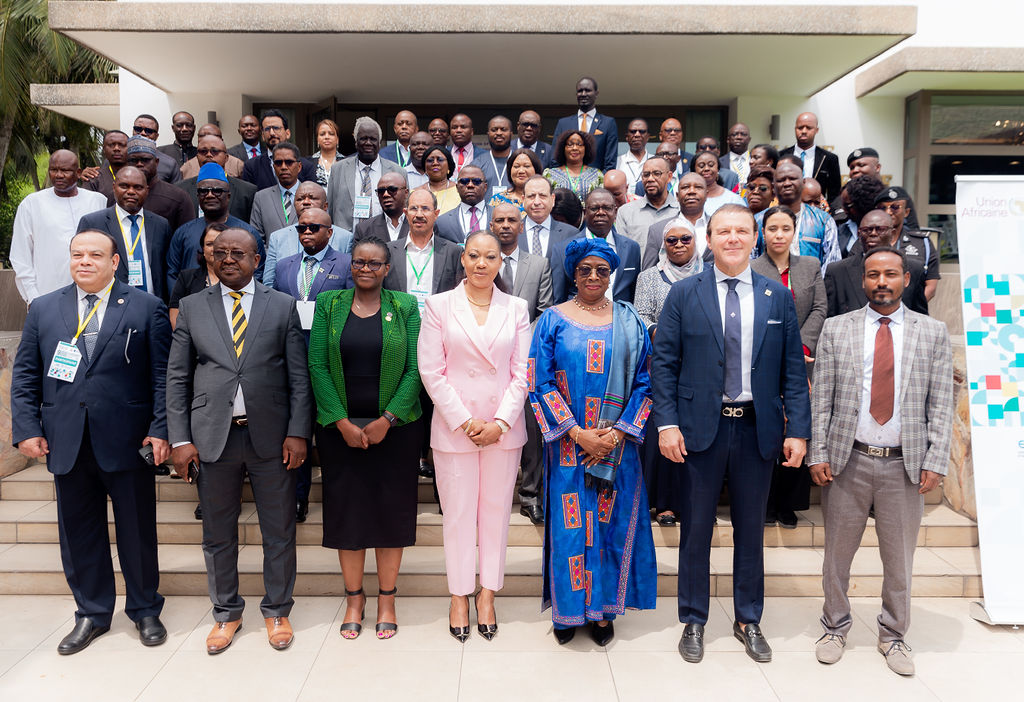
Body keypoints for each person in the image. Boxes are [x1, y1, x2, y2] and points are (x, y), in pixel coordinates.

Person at [652, 204, 811, 665]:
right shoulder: (685, 293)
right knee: (696, 530)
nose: (733, 238)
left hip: (757, 429)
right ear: (709, 238)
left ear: (754, 237)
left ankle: (748, 619)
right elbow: (664, 364)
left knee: (750, 530)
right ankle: (694, 619)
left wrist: (798, 430)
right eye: (724, 231)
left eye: (742, 230)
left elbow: (792, 369)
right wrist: (667, 423)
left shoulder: (777, 297)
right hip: (699, 429)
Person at [11, 230, 170, 654]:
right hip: (67, 439)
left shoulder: (146, 307)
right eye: (77, 254)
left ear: (114, 262)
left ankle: (145, 609)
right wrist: (26, 428)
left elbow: (162, 377)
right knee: (79, 532)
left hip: (128, 439)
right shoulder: (44, 308)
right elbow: (25, 374)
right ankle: (92, 613)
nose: (84, 261)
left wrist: (161, 429)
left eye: (95, 255)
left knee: (137, 530)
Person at [166, 228, 313, 654]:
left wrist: (298, 432)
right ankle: (226, 613)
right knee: (217, 534)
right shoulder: (192, 306)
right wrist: (180, 439)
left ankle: (278, 610)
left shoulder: (281, 305)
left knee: (279, 530)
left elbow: (298, 377)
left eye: (238, 253)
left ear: (256, 259)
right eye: (220, 252)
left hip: (272, 437)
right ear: (210, 258)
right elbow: (177, 377)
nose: (228, 259)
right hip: (213, 437)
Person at [809, 246, 953, 677]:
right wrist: (818, 452)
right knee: (836, 557)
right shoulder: (837, 328)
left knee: (899, 560)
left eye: (890, 274)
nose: (882, 282)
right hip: (848, 460)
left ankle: (893, 635)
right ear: (863, 280)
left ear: (906, 279)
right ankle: (834, 628)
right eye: (873, 275)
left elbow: (941, 401)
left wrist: (936, 459)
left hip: (903, 466)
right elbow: (822, 399)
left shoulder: (933, 332)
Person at [530, 237, 657, 645]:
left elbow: (646, 381)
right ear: (573, 273)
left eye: (602, 270)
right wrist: (577, 433)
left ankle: (602, 613)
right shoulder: (552, 319)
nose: (593, 276)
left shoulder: (630, 320)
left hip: (617, 447)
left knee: (609, 526)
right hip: (568, 447)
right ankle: (568, 613)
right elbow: (539, 381)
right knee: (569, 530)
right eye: (585, 269)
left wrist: (616, 433)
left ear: (611, 275)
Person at [306, 236, 423, 639]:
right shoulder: (329, 304)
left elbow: (416, 368)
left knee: (391, 516)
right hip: (341, 433)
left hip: (395, 431)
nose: (366, 269)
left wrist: (387, 419)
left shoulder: (405, 306)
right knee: (349, 517)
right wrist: (341, 422)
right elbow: (317, 365)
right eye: (359, 262)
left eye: (375, 263)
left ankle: (387, 598)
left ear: (387, 268)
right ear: (350, 265)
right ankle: (354, 599)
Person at [418, 230, 531, 642]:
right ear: (462, 260)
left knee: (496, 513)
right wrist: (466, 422)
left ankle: (487, 593)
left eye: (490, 257)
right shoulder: (439, 305)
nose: (482, 263)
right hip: (456, 428)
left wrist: (500, 422)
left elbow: (523, 372)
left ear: (501, 262)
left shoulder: (516, 308)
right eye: (474, 256)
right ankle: (459, 594)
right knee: (459, 514)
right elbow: (431, 371)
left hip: (503, 429)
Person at [273, 207, 352, 523]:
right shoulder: (284, 266)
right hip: (291, 362)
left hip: (331, 363)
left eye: (314, 227)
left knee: (332, 433)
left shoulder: (345, 264)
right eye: (301, 227)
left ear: (329, 232)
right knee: (297, 431)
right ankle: (298, 498)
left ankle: (339, 499)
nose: (306, 232)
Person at [750, 205, 828, 527]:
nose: (779, 235)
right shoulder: (751, 268)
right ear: (763, 233)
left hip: (803, 361)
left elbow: (820, 308)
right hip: (764, 360)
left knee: (797, 426)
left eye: (785, 228)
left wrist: (801, 346)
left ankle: (789, 504)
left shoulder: (810, 265)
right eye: (772, 229)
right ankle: (765, 501)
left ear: (794, 232)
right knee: (767, 429)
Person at [632, 218, 703, 526]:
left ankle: (691, 501)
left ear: (696, 241)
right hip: (660, 365)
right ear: (663, 244)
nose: (678, 245)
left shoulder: (708, 275)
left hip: (700, 368)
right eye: (671, 240)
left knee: (694, 435)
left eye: (685, 239)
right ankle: (662, 504)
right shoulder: (649, 277)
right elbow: (641, 316)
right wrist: (667, 334)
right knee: (661, 432)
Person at [491, 203, 554, 524]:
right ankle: (492, 497)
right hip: (487, 358)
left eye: (511, 220)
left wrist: (519, 340)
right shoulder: (482, 261)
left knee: (531, 430)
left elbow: (544, 310)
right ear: (491, 225)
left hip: (527, 360)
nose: (505, 225)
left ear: (521, 225)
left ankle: (530, 496)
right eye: (499, 220)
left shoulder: (539, 264)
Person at [10, 149, 107, 304]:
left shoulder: (98, 201)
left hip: (94, 297)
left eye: (65, 170)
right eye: (53, 170)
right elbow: (20, 256)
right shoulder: (32, 204)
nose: (58, 175)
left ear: (78, 173)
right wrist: (33, 297)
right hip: (46, 296)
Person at [76, 165, 172, 302]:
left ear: (147, 190)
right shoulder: (93, 223)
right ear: (114, 187)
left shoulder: (161, 225)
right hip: (109, 305)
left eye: (138, 187)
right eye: (124, 186)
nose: (131, 192)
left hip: (153, 306)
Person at [166, 163, 266, 289]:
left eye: (217, 191)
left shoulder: (247, 233)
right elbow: (172, 273)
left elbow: (258, 272)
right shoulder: (183, 232)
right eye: (203, 191)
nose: (210, 195)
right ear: (197, 196)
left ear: (228, 196)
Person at [824, 209, 929, 316]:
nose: (873, 234)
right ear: (859, 234)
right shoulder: (837, 272)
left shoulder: (914, 268)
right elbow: (830, 315)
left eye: (880, 229)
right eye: (867, 230)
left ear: (892, 234)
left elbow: (919, 316)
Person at [551, 189, 641, 304]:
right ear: (585, 212)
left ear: (615, 211)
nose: (601, 212)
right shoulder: (563, 249)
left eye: (607, 208)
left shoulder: (631, 248)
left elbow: (634, 294)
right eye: (594, 208)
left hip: (620, 313)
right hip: (579, 313)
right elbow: (559, 299)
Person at [754, 161, 840, 271]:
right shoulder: (758, 220)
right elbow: (751, 260)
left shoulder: (823, 220)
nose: (787, 183)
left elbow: (832, 264)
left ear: (803, 183)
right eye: (781, 180)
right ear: (773, 186)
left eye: (792, 178)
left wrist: (814, 281)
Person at [264, 181, 351, 288]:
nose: (305, 202)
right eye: (300, 199)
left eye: (312, 198)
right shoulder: (277, 237)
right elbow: (269, 284)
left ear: (325, 206)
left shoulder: (345, 238)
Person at [327, 117, 405, 233]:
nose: (368, 143)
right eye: (363, 138)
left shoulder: (397, 171)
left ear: (379, 142)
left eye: (373, 139)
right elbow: (330, 209)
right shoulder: (338, 169)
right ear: (356, 142)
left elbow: (404, 209)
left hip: (385, 238)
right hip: (347, 238)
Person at [874, 186, 939, 302]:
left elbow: (931, 287)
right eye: (882, 208)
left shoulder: (922, 242)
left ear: (906, 212)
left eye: (895, 207)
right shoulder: (866, 241)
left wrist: (911, 308)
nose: (888, 212)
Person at [176, 132, 256, 222]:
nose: (208, 155)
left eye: (215, 151)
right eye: (203, 151)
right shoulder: (180, 189)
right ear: (197, 157)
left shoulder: (247, 191)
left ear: (226, 157)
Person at [123, 137, 195, 234]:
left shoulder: (178, 197)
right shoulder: (117, 196)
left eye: (145, 160)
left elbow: (187, 236)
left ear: (156, 162)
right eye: (133, 160)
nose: (139, 164)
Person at [641, 173, 710, 269]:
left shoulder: (720, 227)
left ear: (707, 194)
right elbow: (648, 272)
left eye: (698, 187)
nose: (691, 191)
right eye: (685, 187)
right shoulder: (657, 230)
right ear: (677, 196)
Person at [552, 77, 619, 172]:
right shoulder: (563, 123)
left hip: (597, 179)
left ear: (596, 93)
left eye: (587, 90)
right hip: (566, 179)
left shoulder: (608, 123)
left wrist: (599, 180)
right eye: (580, 91)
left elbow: (610, 163)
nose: (583, 94)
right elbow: (555, 158)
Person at [169, 221, 226, 328]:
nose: (214, 248)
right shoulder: (186, 278)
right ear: (203, 249)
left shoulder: (239, 279)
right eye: (209, 244)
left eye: (219, 244)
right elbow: (175, 315)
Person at [241, 110, 316, 190]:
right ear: (262, 136)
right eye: (267, 129)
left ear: (287, 133)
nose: (272, 133)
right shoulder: (251, 167)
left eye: (276, 128)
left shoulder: (306, 166)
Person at [615, 156, 679, 245]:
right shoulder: (626, 212)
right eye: (646, 175)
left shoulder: (680, 211)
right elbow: (623, 249)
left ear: (669, 177)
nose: (650, 179)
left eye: (656, 174)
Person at [780, 112, 842, 204]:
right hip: (785, 207)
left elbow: (834, 193)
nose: (804, 131)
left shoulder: (829, 158)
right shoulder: (781, 156)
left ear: (816, 130)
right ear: (795, 129)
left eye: (809, 128)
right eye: (800, 128)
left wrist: (827, 210)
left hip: (817, 208)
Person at [250, 142, 306, 241]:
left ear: (299, 167)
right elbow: (257, 238)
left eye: (289, 162)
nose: (283, 167)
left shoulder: (313, 195)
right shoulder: (261, 197)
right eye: (278, 163)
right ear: (273, 166)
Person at [518, 176, 580, 263]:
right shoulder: (512, 232)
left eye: (542, 196)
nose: (537, 202)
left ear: (552, 199)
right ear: (523, 200)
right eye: (531, 196)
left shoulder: (571, 234)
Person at [544, 130, 604, 204]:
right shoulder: (550, 174)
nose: (575, 148)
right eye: (570, 144)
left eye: (579, 144)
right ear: (563, 148)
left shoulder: (597, 175)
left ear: (586, 148)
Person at [435, 165, 492, 244]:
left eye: (476, 181)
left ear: (485, 187)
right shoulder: (442, 222)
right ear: (457, 187)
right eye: (464, 181)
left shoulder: (499, 216)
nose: (470, 185)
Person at [353, 172, 410, 245]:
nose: (385, 194)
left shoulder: (418, 224)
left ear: (406, 193)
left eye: (392, 190)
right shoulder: (364, 229)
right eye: (381, 191)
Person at [835, 175, 885, 257]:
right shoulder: (841, 227)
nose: (844, 210)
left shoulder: (887, 229)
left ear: (863, 204)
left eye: (848, 206)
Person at [179, 124, 245, 180]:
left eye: (213, 136)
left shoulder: (237, 165)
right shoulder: (186, 168)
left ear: (222, 140)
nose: (208, 139)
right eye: (202, 136)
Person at [488, 147, 543, 212]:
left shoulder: (544, 199)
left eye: (527, 166)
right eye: (516, 166)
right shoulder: (498, 200)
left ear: (536, 170)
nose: (521, 171)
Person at [131, 114, 182, 184]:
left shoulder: (170, 164)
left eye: (149, 131)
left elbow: (177, 189)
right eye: (138, 129)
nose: (142, 133)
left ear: (156, 136)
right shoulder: (123, 158)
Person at [81, 130, 130, 201]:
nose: (116, 148)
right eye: (111, 145)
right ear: (104, 149)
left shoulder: (139, 176)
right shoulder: (93, 177)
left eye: (122, 145)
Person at [471, 115, 514, 195]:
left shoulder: (519, 161)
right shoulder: (477, 164)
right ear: (488, 134)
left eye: (503, 129)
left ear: (511, 133)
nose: (499, 133)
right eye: (494, 130)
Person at [692, 151, 744, 216]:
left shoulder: (733, 199)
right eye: (701, 166)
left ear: (718, 169)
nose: (706, 168)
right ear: (694, 171)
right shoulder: (688, 197)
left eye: (711, 165)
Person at [415, 145, 461, 214]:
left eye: (440, 160)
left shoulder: (459, 191)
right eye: (430, 160)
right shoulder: (415, 193)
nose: (435, 163)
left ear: (449, 166)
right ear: (425, 167)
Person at [616, 119, 651, 191]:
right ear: (627, 137)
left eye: (642, 131)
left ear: (648, 137)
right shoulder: (617, 162)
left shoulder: (655, 161)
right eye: (633, 131)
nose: (637, 135)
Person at [311, 119, 344, 188]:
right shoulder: (309, 163)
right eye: (322, 134)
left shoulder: (347, 162)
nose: (327, 137)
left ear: (337, 139)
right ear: (317, 140)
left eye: (331, 134)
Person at [448, 113, 477, 179]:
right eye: (454, 127)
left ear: (472, 131)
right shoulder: (443, 154)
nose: (458, 130)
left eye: (463, 127)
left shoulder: (483, 155)